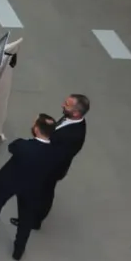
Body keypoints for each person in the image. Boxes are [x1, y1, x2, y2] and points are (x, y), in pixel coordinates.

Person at [0, 114, 59, 261]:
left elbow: (11, 147)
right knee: (26, 218)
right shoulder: (54, 152)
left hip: (10, 180)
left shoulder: (23, 145)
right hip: (33, 187)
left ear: (37, 129)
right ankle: (19, 249)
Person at [28, 94, 89, 231]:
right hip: (50, 164)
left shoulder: (74, 135)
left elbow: (57, 155)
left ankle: (34, 221)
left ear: (76, 113)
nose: (62, 105)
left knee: (45, 192)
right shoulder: (71, 119)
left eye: (66, 105)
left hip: (51, 169)